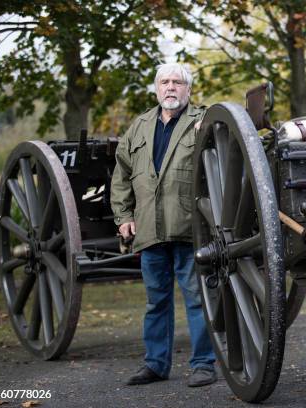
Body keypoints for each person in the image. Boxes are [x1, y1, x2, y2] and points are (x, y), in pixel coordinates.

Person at [110, 63, 216, 387]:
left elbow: (223, 162)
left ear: (188, 90)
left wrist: (210, 132)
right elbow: (121, 176)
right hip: (150, 231)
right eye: (165, 82)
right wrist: (124, 216)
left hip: (189, 228)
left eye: (178, 82)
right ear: (157, 88)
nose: (171, 87)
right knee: (156, 301)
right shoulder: (139, 127)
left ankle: (204, 365)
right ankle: (155, 364)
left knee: (197, 298)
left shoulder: (203, 122)